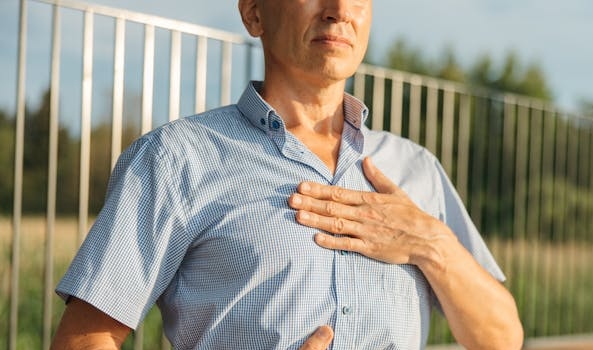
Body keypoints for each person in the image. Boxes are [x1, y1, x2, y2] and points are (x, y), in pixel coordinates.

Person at [52, 0, 524, 349]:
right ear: (253, 12)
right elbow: (81, 341)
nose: (339, 10)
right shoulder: (176, 160)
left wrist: (430, 244)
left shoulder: (416, 169)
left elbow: (502, 338)